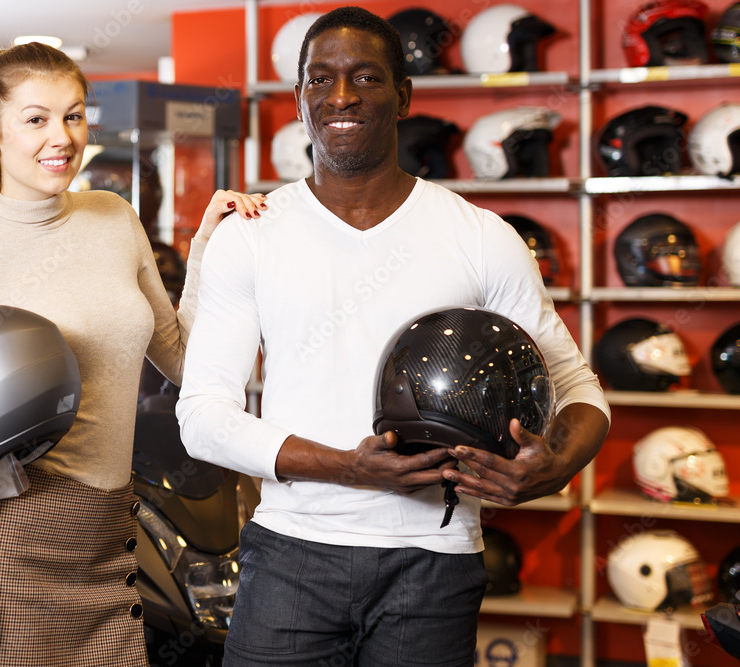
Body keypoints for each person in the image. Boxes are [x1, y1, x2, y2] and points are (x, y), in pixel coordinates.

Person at [175, 7, 611, 666]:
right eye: (320, 79)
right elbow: (203, 418)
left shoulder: (479, 234)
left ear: (403, 95)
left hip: (433, 561)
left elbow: (580, 389)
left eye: (365, 78)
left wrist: (549, 469)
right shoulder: (252, 234)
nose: (341, 96)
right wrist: (348, 467)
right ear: (299, 100)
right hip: (292, 552)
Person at [0, 42, 266, 666]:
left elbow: (182, 358)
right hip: (4, 552)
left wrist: (208, 247)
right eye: (36, 119)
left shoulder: (113, 218)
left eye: (74, 115)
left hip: (110, 550)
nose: (62, 137)